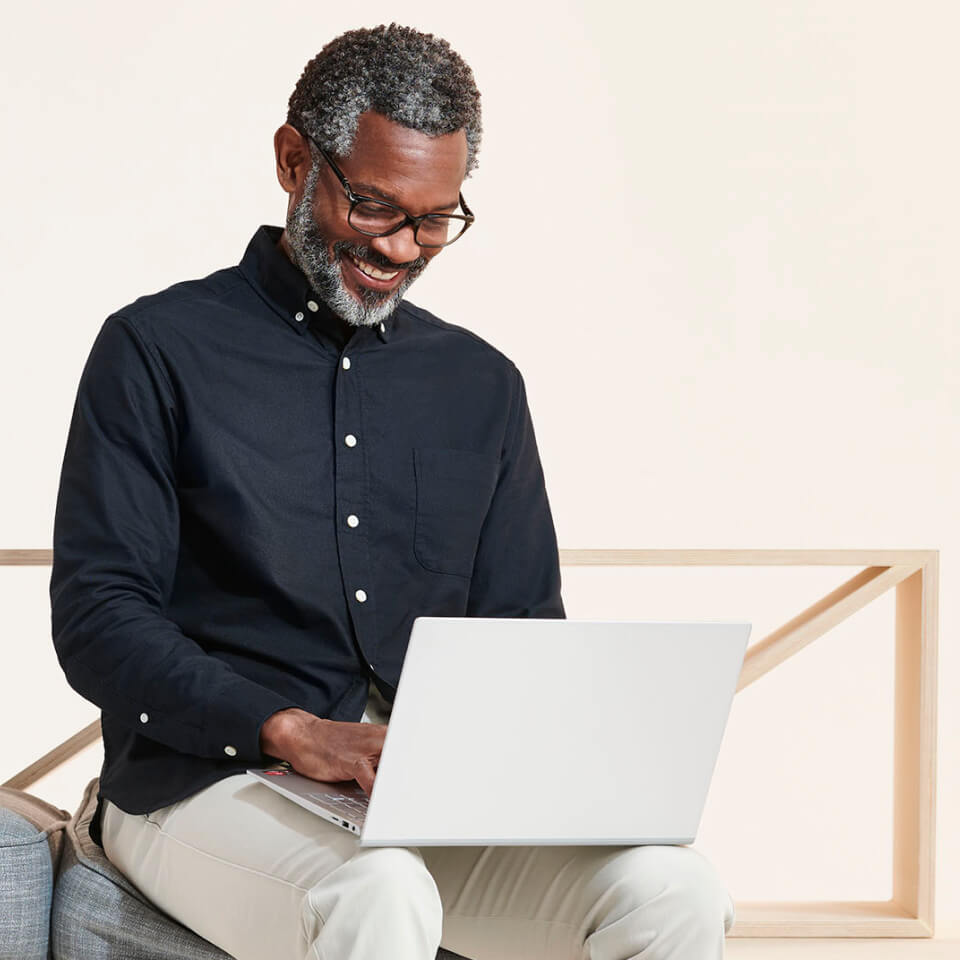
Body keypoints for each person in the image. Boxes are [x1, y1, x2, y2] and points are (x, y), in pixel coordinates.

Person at [49, 22, 735, 960]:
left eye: (436, 218)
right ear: (295, 161)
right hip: (205, 781)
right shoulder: (156, 349)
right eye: (375, 206)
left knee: (674, 889)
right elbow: (99, 617)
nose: (404, 247)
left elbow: (523, 631)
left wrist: (579, 761)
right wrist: (290, 731)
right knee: (379, 891)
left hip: (432, 796)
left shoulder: (482, 385)